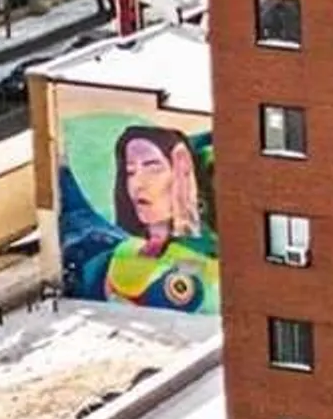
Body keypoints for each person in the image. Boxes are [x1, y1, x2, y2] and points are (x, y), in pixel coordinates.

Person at [64, 118, 218, 309]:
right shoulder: (111, 236)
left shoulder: (196, 256)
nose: (138, 184)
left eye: (153, 168)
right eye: (130, 172)